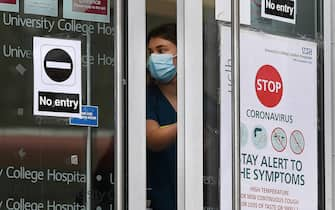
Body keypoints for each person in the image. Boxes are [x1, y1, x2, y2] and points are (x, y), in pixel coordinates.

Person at [146, 23, 177, 210]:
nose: (153, 58)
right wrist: (190, 124)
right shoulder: (148, 97)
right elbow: (152, 138)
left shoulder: (205, 102)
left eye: (161, 50)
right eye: (151, 52)